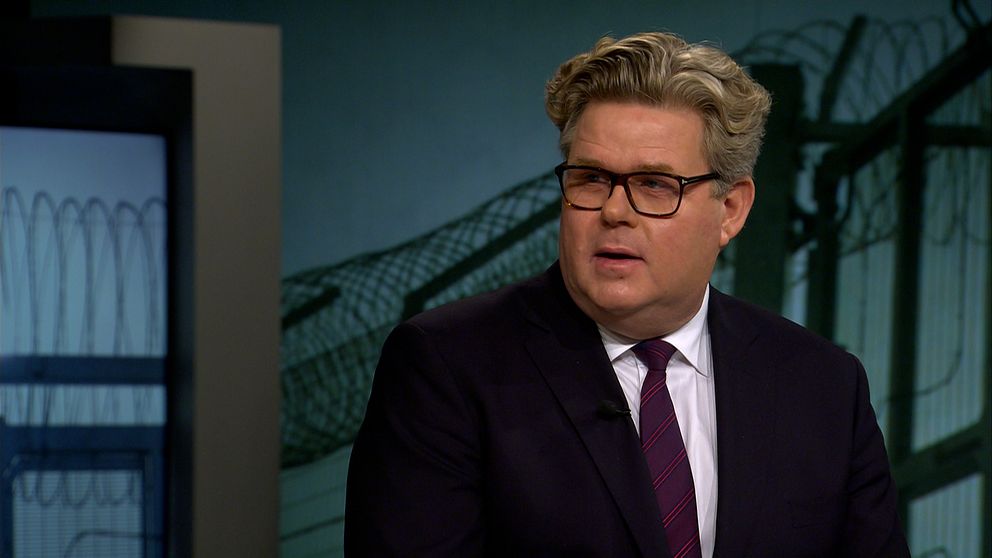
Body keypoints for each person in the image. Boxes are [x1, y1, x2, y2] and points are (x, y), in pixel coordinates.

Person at [345, 32, 909, 557]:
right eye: (591, 178)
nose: (614, 211)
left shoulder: (823, 386)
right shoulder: (448, 365)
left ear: (731, 210)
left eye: (655, 185)